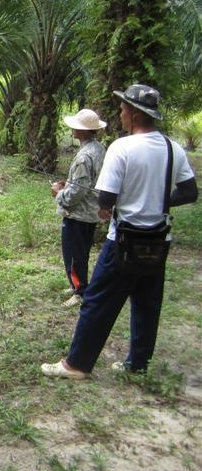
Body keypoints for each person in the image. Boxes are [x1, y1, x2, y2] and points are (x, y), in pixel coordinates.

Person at [41, 84, 198, 379]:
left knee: (98, 302)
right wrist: (158, 199)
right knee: (147, 303)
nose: (121, 112)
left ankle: (76, 365)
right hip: (158, 241)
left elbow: (105, 200)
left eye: (124, 108)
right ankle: (137, 364)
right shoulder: (172, 148)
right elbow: (189, 192)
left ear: (136, 114)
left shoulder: (122, 147)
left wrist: (113, 204)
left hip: (123, 240)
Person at [50, 109, 107, 307]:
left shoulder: (84, 156)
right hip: (91, 211)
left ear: (82, 131)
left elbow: (77, 193)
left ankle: (80, 291)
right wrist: (68, 184)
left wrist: (58, 193)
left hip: (79, 214)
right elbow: (85, 182)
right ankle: (77, 285)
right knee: (81, 252)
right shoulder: (98, 148)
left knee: (74, 255)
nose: (72, 128)